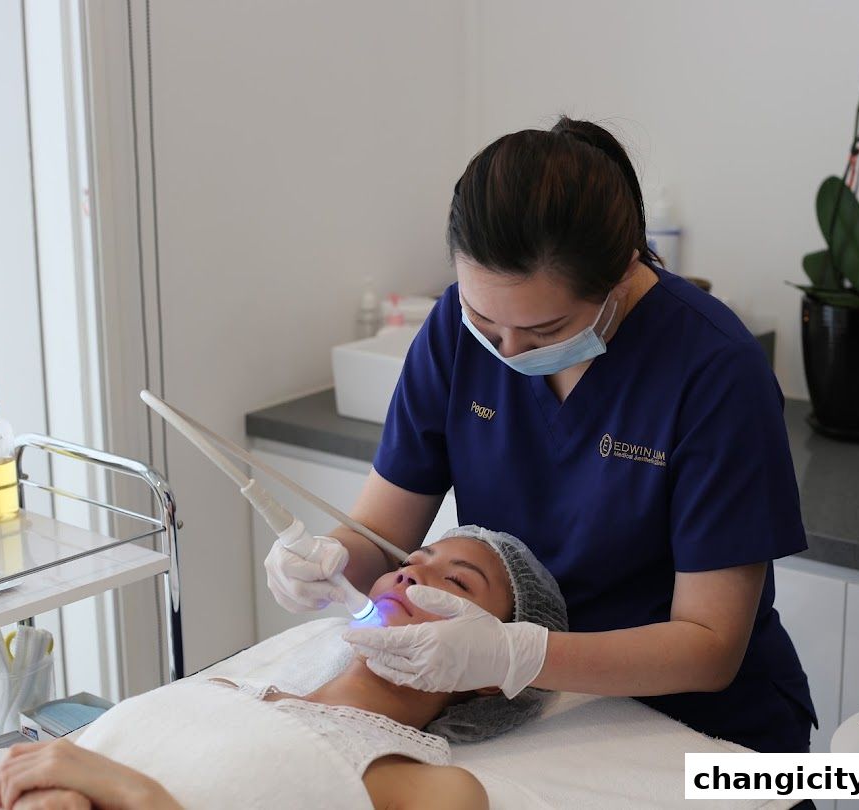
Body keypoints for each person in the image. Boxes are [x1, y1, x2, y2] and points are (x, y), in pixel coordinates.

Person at [266, 116, 818, 755]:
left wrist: (515, 655)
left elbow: (710, 646)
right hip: (531, 715)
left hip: (704, 731)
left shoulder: (716, 371)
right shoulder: (452, 331)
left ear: (621, 272)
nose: (506, 351)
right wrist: (329, 561)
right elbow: (380, 535)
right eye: (484, 320)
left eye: (545, 330)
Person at [0, 528, 568, 810]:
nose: (411, 573)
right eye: (413, 559)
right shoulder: (225, 689)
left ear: (490, 674)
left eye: (457, 582)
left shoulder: (433, 789)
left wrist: (137, 797)